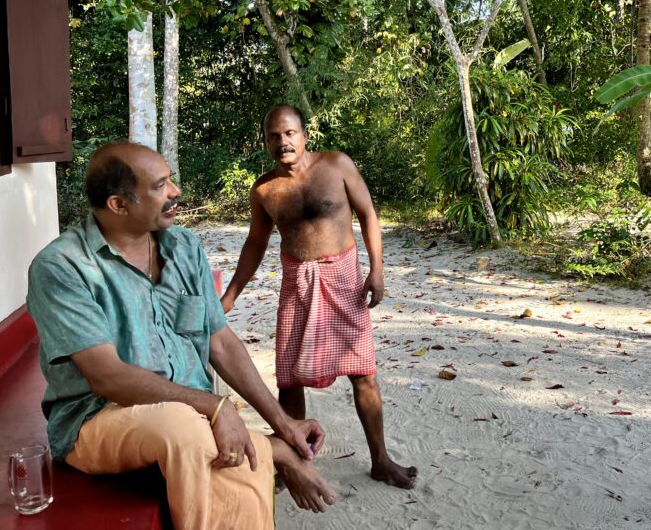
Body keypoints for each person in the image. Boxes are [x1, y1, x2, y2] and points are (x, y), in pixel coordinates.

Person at [26, 142, 337, 529]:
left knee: (214, 444)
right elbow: (107, 377)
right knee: (183, 427)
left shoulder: (185, 247)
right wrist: (216, 407)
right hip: (95, 420)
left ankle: (272, 449)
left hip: (192, 413)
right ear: (119, 205)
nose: (175, 192)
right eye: (160, 185)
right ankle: (272, 453)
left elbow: (220, 341)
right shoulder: (62, 266)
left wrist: (284, 423)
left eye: (169, 179)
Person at [220, 105, 416, 489]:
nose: (283, 142)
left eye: (289, 133)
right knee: (290, 378)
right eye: (273, 136)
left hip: (344, 278)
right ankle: (292, 463)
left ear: (305, 135)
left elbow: (368, 214)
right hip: (298, 283)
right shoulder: (264, 190)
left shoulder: (337, 165)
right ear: (265, 142)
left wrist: (376, 269)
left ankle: (380, 459)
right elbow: (255, 243)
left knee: (363, 373)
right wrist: (231, 294)